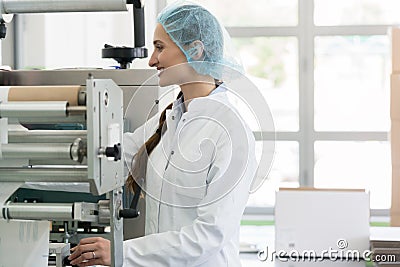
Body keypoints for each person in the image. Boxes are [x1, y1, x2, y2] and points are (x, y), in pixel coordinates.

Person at [68, 1, 257, 266]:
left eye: (160, 47)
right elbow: (104, 166)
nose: (151, 59)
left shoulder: (230, 132)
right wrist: (19, 166)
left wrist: (122, 253)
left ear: (196, 50)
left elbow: (209, 235)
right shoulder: (168, 121)